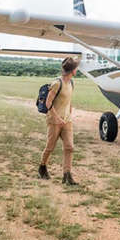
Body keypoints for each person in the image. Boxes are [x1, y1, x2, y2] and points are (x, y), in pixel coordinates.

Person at [38, 56, 80, 185]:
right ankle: (42, 167)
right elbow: (48, 102)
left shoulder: (71, 83)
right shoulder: (57, 83)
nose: (77, 69)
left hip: (67, 121)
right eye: (76, 68)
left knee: (69, 147)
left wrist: (69, 115)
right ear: (72, 70)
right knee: (50, 147)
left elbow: (69, 100)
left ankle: (67, 175)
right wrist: (57, 118)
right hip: (54, 121)